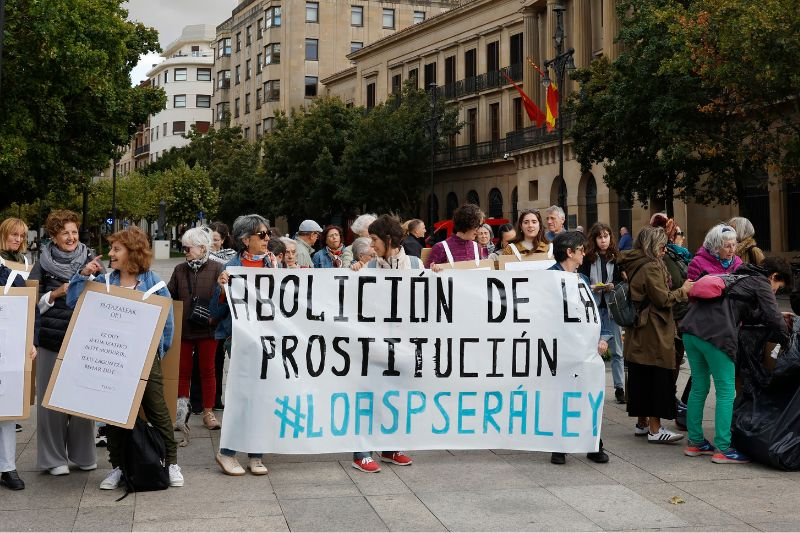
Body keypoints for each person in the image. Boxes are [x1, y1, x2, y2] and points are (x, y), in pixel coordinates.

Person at [68, 226, 182, 489]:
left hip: (145, 359)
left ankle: (171, 463)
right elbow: (73, 303)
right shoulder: (104, 281)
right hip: (111, 359)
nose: (110, 253)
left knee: (157, 410)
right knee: (113, 412)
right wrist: (82, 275)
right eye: (112, 248)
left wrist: (156, 354)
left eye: (116, 249)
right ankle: (118, 467)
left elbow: (167, 325)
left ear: (133, 251)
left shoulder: (154, 283)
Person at [680, 257, 791, 463]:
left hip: (691, 330)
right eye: (778, 286)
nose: (776, 291)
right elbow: (773, 317)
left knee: (699, 387)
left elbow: (747, 313)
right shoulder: (761, 282)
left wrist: (775, 315)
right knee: (726, 391)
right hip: (716, 335)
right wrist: (788, 340)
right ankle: (723, 448)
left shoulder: (739, 275)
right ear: (774, 276)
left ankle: (695, 442)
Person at [28, 210, 98, 476]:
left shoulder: (90, 259)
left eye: (74, 232)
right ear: (54, 236)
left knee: (83, 398)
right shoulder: (42, 264)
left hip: (83, 339)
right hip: (50, 339)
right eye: (64, 233)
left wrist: (89, 278)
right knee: (49, 401)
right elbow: (30, 304)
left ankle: (84, 455)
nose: (71, 237)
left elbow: (104, 294)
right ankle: (53, 458)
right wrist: (56, 293)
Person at [350, 215, 419, 472]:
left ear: (388, 239)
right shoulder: (368, 267)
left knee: (396, 396)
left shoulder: (414, 264)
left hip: (403, 343)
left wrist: (436, 274)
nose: (371, 246)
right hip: (375, 344)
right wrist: (353, 274)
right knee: (369, 396)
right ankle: (362, 452)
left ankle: (391, 447)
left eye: (375, 240)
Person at [210, 214, 274, 476]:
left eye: (268, 234)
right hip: (238, 339)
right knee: (243, 395)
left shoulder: (273, 264)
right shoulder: (230, 268)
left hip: (266, 339)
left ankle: (256, 454)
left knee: (261, 396)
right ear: (246, 240)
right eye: (262, 234)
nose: (267, 239)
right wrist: (221, 290)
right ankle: (227, 452)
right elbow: (215, 311)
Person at [616, 226, 693, 443]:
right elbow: (662, 299)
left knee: (641, 374)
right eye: (661, 246)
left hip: (639, 330)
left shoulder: (634, 261)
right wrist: (684, 290)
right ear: (652, 246)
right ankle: (655, 429)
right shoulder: (650, 266)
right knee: (656, 376)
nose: (664, 250)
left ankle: (642, 423)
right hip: (653, 329)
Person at [546, 231, 610, 465]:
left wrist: (602, 337)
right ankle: (560, 446)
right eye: (581, 250)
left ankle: (593, 443)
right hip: (560, 349)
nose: (584, 253)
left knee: (588, 394)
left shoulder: (581, 279)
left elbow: (592, 313)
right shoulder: (548, 279)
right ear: (569, 252)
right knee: (561, 396)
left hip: (584, 348)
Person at [168, 227, 224, 431]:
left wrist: (216, 314)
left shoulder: (218, 268)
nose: (185, 252)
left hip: (208, 328)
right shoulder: (179, 270)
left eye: (187, 248)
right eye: (183, 248)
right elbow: (169, 295)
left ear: (202, 248)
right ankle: (181, 415)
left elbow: (224, 297)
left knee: (208, 371)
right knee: (183, 372)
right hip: (184, 329)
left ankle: (208, 413)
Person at [0, 265, 39, 491]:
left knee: (5, 410)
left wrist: (31, 340)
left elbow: (30, 311)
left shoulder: (11, 277)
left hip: (7, 352)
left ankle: (8, 467)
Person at [579, 222, 625, 404]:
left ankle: (620, 388)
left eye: (606, 236)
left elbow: (623, 282)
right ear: (594, 239)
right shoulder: (588, 258)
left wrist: (614, 285)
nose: (603, 240)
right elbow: (581, 281)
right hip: (594, 308)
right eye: (600, 237)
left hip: (613, 308)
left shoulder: (616, 257)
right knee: (592, 350)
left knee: (617, 351)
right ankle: (590, 388)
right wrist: (593, 287)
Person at [424, 204, 487, 269]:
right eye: (477, 226)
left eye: (480, 226)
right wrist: (434, 270)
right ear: (467, 224)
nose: (479, 230)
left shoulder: (477, 247)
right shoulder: (440, 248)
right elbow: (427, 273)